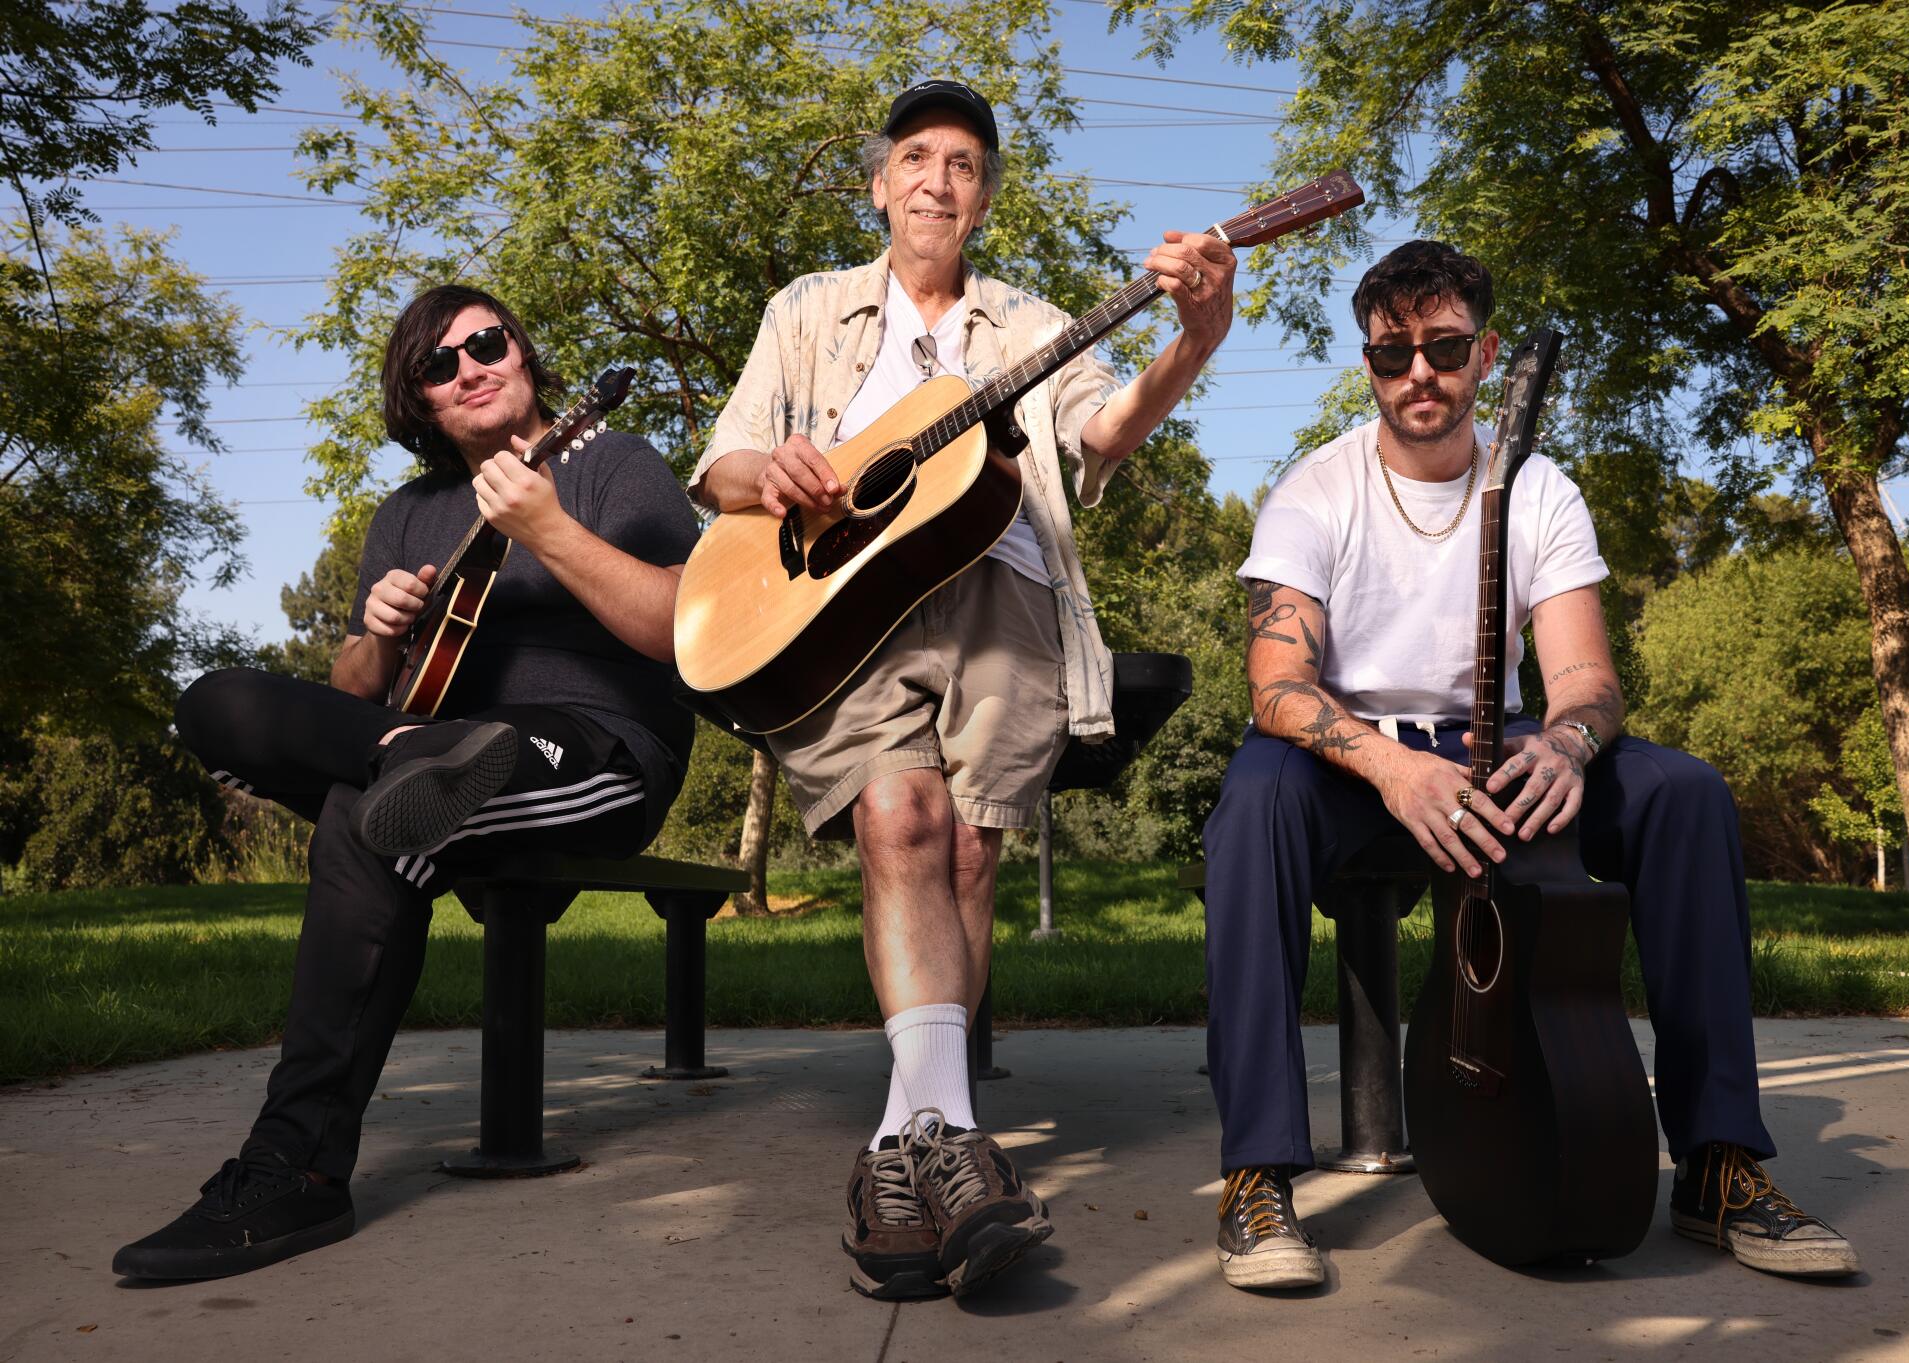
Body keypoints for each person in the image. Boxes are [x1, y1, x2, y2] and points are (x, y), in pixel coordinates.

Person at [1199, 240, 1861, 1290]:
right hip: (1353, 759)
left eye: (1444, 347)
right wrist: (1386, 765)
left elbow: (1587, 678)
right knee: (1251, 808)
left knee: (1680, 793)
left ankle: (1717, 1163)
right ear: (1367, 364)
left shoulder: (1539, 489)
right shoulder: (1312, 489)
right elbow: (1276, 686)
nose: (1417, 372)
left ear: (1485, 351)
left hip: (1497, 745)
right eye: (1390, 355)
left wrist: (1564, 740)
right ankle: (1256, 1174)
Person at [693, 79, 1235, 1300]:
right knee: (900, 820)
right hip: (843, 601)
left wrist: (1191, 340)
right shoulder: (808, 311)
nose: (941, 179)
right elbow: (721, 461)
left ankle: (904, 1151)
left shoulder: (1033, 325)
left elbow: (1098, 445)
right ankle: (945, 1142)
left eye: (967, 165)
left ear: (984, 199)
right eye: (919, 158)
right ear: (882, 183)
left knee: (973, 856)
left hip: (1004, 589)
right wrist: (771, 473)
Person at [113, 285, 700, 1281]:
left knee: (372, 811)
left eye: (485, 342)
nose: (468, 366)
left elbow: (687, 629)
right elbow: (356, 690)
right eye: (439, 364)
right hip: (435, 745)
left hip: (595, 753)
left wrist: (549, 529)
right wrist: (377, 637)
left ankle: (292, 1171)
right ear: (419, 400)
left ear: (522, 354)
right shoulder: (409, 514)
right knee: (216, 702)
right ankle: (413, 764)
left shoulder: (612, 462)